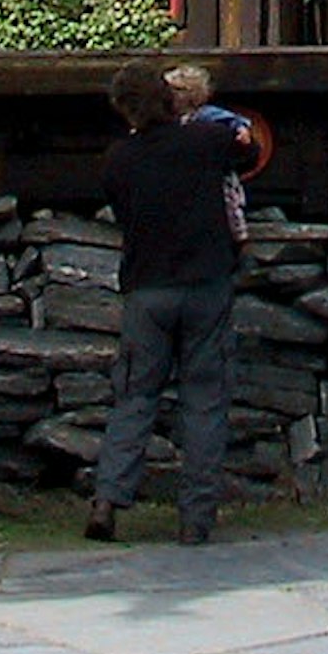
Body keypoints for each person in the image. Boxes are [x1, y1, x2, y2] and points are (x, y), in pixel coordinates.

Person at [91, 54, 260, 545]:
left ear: (125, 110)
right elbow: (247, 153)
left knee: (135, 396)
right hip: (207, 283)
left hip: (147, 288)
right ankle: (196, 518)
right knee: (205, 400)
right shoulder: (205, 141)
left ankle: (108, 499)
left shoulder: (118, 160)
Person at [166, 60, 255, 244]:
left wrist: (242, 130)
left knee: (227, 204)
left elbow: (234, 120)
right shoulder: (170, 119)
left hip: (217, 179)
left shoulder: (207, 115)